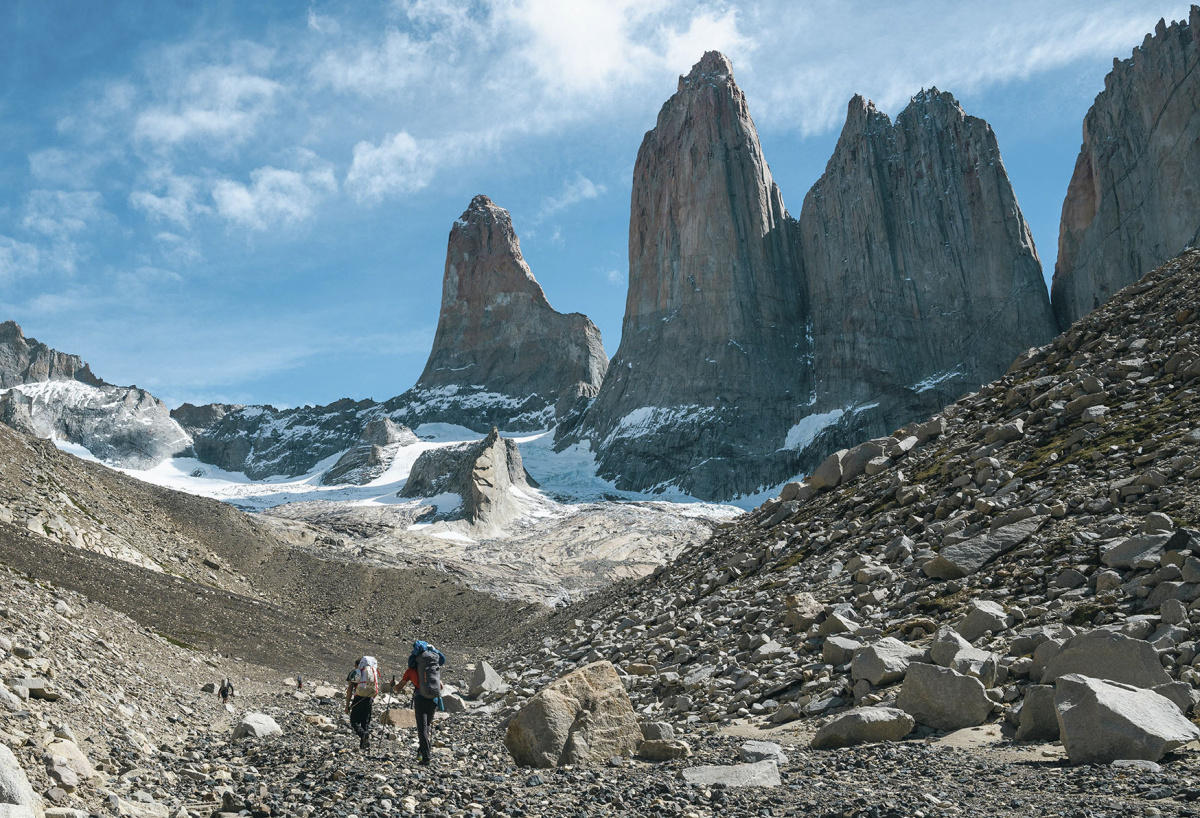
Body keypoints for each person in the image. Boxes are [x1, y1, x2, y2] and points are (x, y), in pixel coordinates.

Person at [394, 640, 446, 765]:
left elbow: (398, 688)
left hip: (420, 699)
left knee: (422, 728)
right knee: (426, 726)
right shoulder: (432, 669)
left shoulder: (411, 671)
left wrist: (392, 686)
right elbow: (441, 686)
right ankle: (421, 752)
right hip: (433, 699)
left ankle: (426, 757)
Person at [345, 656, 380, 750]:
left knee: (354, 721)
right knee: (365, 723)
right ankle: (363, 745)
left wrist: (347, 706)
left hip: (358, 699)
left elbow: (349, 690)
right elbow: (376, 688)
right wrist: (372, 699)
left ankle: (363, 735)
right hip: (369, 699)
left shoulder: (354, 673)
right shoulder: (372, 673)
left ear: (358, 665)